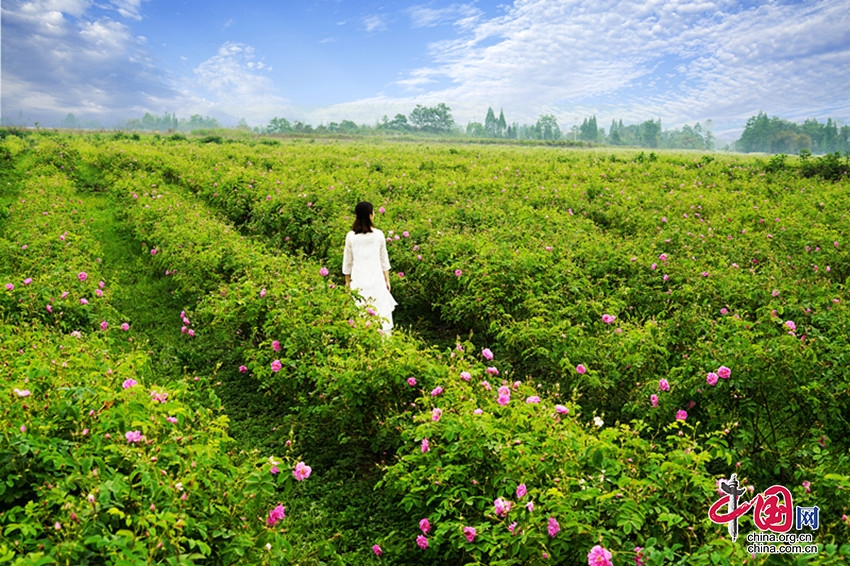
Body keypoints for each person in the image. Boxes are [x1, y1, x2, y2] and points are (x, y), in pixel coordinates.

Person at [342, 201, 397, 336]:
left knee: (359, 311)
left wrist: (347, 282)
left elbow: (347, 262)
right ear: (370, 215)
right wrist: (387, 280)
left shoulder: (351, 236)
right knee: (380, 310)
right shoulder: (378, 235)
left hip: (358, 280)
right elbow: (384, 259)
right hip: (376, 279)